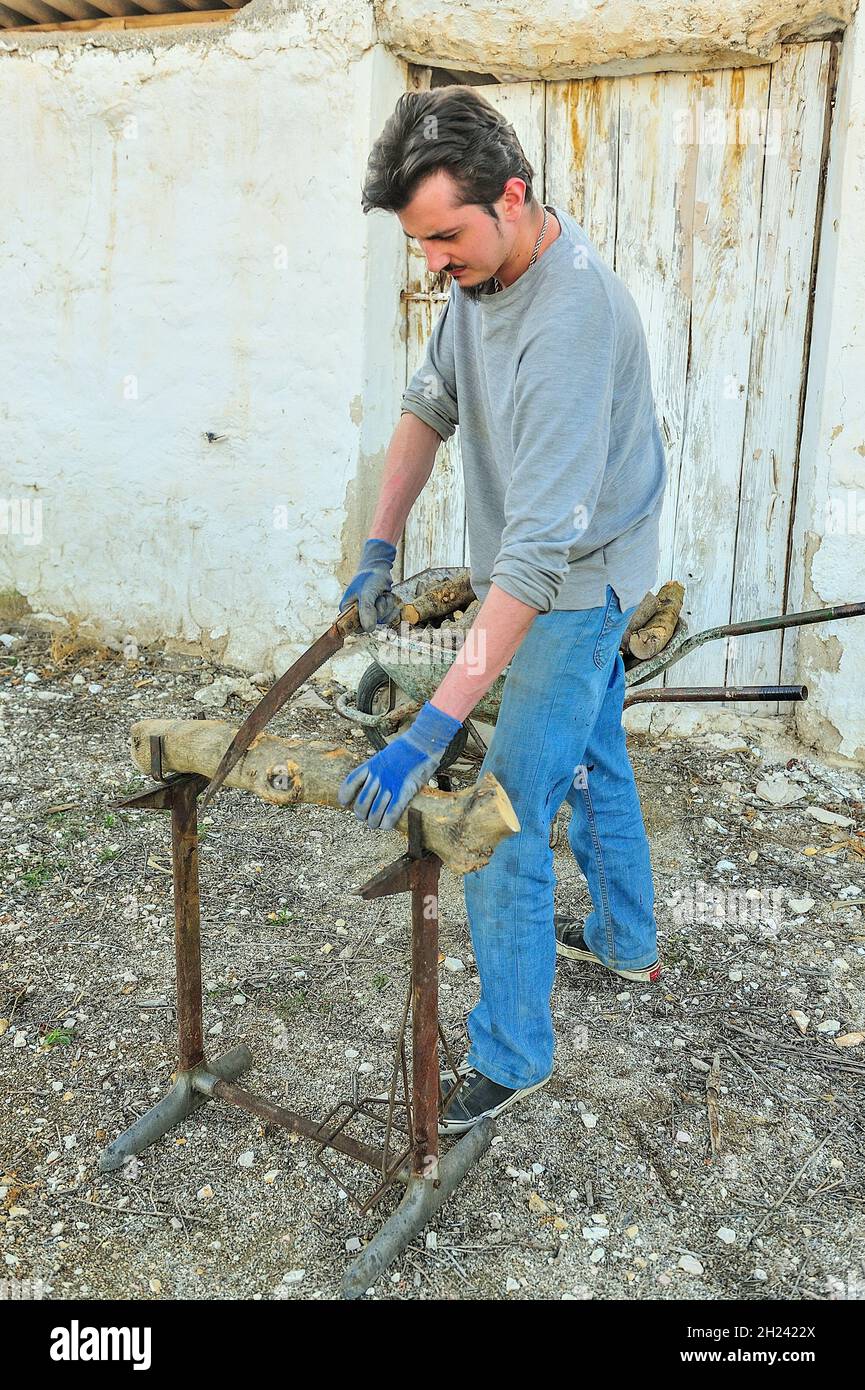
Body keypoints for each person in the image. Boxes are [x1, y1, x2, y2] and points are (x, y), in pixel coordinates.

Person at [337, 86, 666, 1136]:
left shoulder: (570, 321)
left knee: (502, 816)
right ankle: (625, 940)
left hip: (575, 584)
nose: (433, 261)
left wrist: (434, 731)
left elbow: (532, 561)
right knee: (593, 748)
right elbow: (427, 405)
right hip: (547, 568)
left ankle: (514, 1052)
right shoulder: (477, 282)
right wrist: (378, 541)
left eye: (445, 236)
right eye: (420, 242)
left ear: (512, 196)